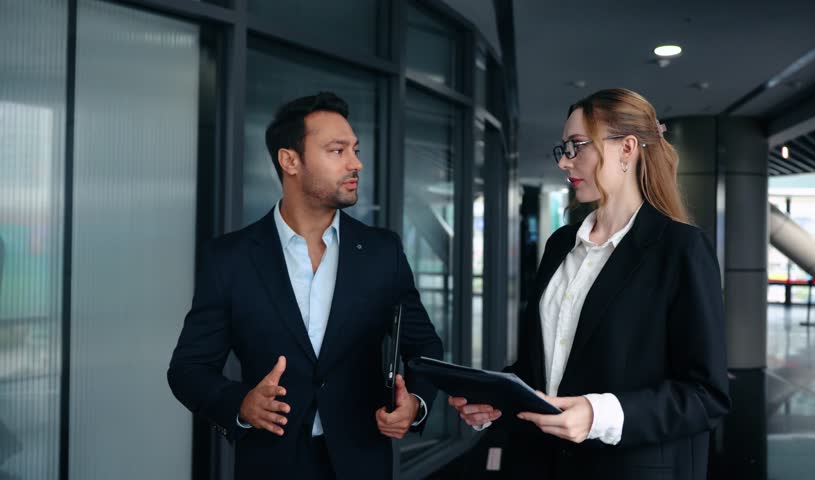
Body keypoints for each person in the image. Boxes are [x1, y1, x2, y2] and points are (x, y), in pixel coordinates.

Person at [449, 88, 730, 479]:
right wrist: (496, 399)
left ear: (627, 149)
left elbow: (706, 396)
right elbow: (546, 371)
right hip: (541, 464)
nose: (565, 161)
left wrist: (599, 415)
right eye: (563, 148)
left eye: (577, 146)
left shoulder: (680, 249)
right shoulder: (561, 244)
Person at [168, 92, 443, 479]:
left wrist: (415, 402)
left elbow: (425, 347)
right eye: (337, 150)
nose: (356, 163)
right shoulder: (230, 258)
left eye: (355, 149)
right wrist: (241, 404)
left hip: (362, 463)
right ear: (290, 161)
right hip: (270, 463)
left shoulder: (382, 252)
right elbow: (188, 369)